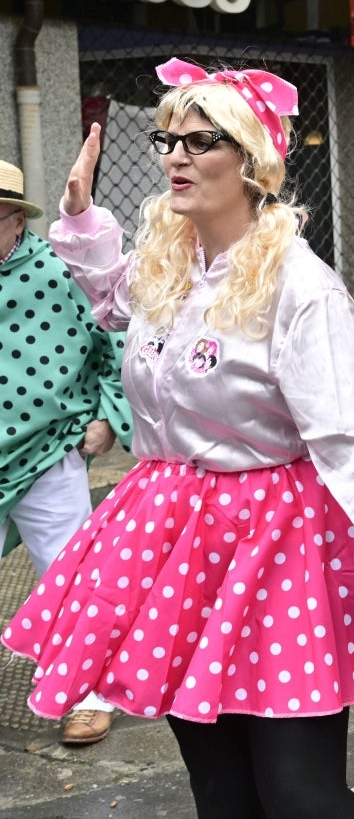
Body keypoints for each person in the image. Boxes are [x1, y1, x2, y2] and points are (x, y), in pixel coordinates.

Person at [2, 59, 354, 818]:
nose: (175, 155)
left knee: (300, 795)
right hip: (169, 539)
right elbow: (110, 299)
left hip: (275, 544)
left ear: (251, 159)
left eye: (201, 140)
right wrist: (80, 220)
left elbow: (350, 438)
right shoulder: (170, 267)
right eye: (168, 138)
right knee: (221, 792)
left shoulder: (300, 285)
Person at [0, 161, 132, 745]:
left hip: (49, 446)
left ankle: (88, 695)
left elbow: (122, 334)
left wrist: (108, 415)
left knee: (70, 577)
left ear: (15, 218)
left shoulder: (62, 268)